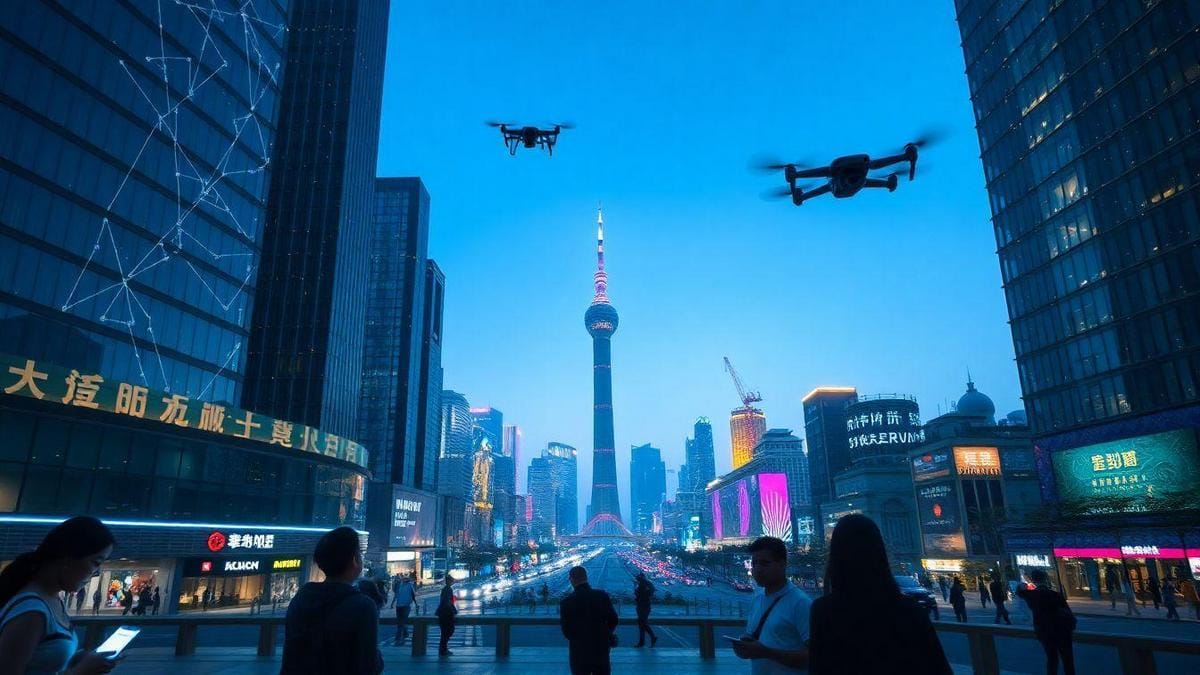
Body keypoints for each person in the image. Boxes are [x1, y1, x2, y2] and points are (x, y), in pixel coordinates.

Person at [809, 515, 950, 675]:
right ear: (881, 553)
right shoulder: (910, 611)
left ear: (835, 556)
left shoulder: (824, 611)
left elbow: (818, 668)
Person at [0, 515, 119, 675]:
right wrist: (80, 671)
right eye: (96, 562)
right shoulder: (32, 612)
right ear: (68, 558)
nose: (96, 572)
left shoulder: (53, 599)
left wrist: (73, 660)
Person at [280, 526, 382, 674]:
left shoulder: (301, 597)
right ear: (355, 560)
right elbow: (368, 665)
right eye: (359, 554)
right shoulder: (363, 606)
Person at [731, 536, 811, 674]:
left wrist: (766, 652)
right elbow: (755, 637)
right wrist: (746, 647)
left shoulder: (801, 603)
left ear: (782, 564)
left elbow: (815, 656)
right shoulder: (758, 599)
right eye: (754, 563)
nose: (757, 569)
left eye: (764, 563)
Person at [559, 566, 618, 675]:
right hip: (600, 648)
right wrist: (604, 632)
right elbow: (613, 620)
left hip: (579, 650)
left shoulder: (566, 602)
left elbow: (566, 631)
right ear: (586, 577)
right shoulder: (601, 596)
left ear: (571, 579)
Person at [1017, 570, 1076, 675]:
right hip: (1062, 630)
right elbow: (1068, 613)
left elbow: (1020, 591)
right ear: (1045, 579)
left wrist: (1024, 584)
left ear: (1033, 580)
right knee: (1067, 660)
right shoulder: (1055, 595)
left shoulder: (1032, 596)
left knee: (1052, 659)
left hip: (1044, 631)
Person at [435, 574, 458, 656]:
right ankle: (443, 649)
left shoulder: (445, 589)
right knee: (448, 631)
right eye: (451, 580)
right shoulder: (448, 589)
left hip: (443, 613)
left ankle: (443, 649)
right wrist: (453, 611)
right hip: (446, 613)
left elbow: (446, 601)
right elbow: (448, 602)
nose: (452, 582)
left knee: (444, 633)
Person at [633, 572, 657, 648]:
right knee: (642, 623)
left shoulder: (642, 584)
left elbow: (637, 593)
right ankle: (642, 641)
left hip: (642, 605)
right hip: (645, 605)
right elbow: (651, 592)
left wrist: (635, 586)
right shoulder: (648, 584)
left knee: (642, 622)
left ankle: (652, 637)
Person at [393, 574, 416, 645]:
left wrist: (393, 603)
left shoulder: (402, 586)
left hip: (401, 605)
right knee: (402, 622)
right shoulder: (408, 585)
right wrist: (415, 603)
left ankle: (399, 637)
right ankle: (403, 635)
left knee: (401, 622)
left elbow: (396, 594)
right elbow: (413, 595)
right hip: (404, 605)